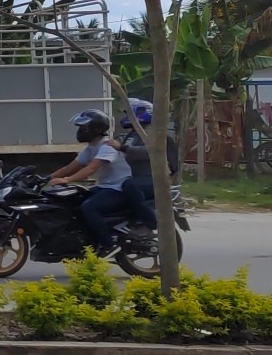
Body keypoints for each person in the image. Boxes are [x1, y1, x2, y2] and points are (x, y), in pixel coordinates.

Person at [46, 109, 135, 254]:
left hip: (119, 188)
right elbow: (70, 167)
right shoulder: (91, 147)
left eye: (84, 128)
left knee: (89, 207)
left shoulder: (107, 146)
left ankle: (109, 244)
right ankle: (87, 241)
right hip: (105, 187)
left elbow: (91, 168)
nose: (80, 131)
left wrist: (66, 180)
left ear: (97, 129)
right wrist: (45, 178)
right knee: (73, 201)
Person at [118, 99, 178, 228]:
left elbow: (150, 151)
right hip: (140, 176)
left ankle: (150, 220)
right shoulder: (135, 132)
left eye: (129, 114)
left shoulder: (152, 132)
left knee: (130, 186)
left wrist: (122, 148)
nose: (126, 117)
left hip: (154, 178)